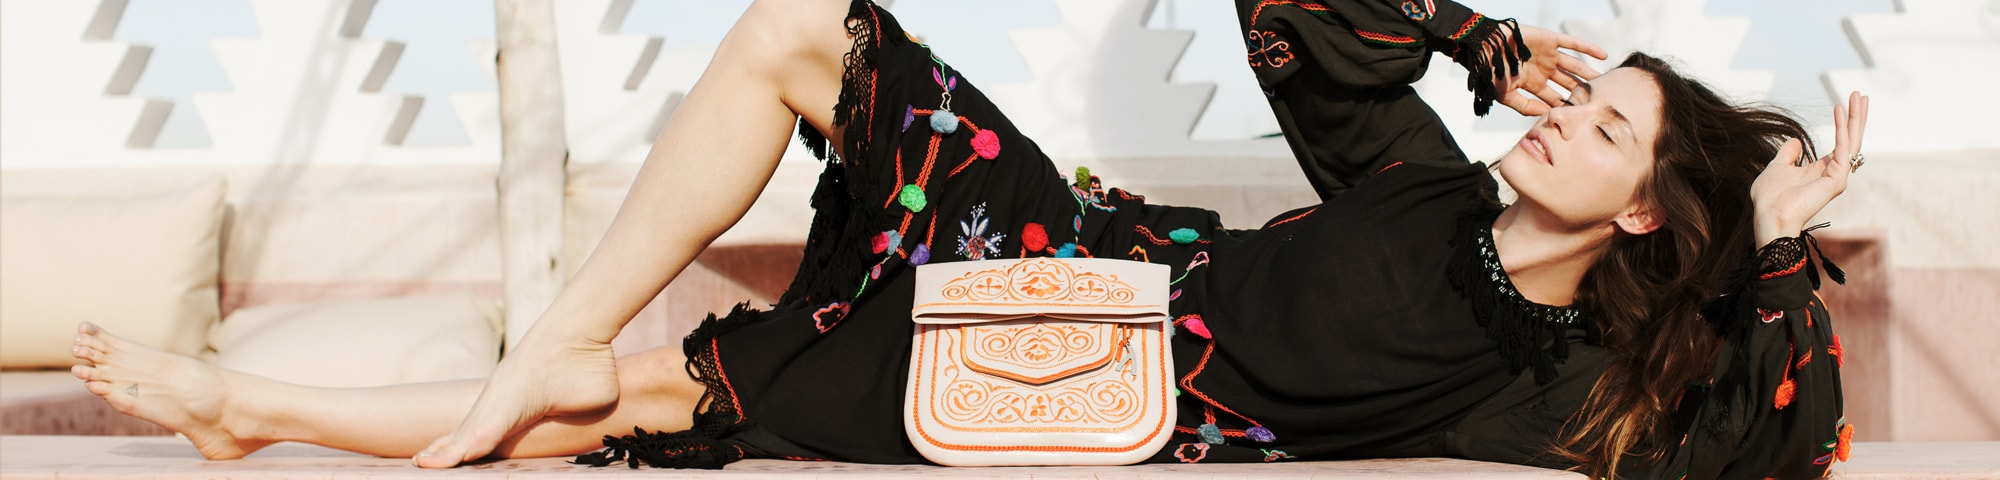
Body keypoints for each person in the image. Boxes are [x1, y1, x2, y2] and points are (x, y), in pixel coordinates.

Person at [66, 0, 1869, 477]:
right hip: (1063, 243)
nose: (1562, 112)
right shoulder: (1427, 170)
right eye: (1578, 86)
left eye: (1604, 123)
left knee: (669, 397)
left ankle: (249, 411)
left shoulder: (1537, 372)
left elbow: (1765, 447)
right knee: (803, 24)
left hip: (1055, 375)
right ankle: (542, 333)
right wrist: (1479, 47)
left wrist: (1775, 250)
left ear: (1645, 209)